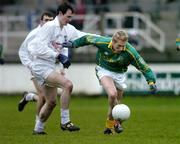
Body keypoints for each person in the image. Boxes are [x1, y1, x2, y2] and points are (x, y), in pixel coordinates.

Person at [62, 30, 157, 134]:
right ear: (113, 41)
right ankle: (117, 123)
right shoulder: (103, 42)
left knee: (114, 105)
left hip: (120, 74)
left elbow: (143, 66)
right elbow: (88, 38)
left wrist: (151, 82)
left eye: (123, 46)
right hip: (103, 70)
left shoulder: (130, 51)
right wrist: (74, 44)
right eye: (119, 46)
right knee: (112, 94)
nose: (121, 49)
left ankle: (108, 128)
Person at [27, 2, 88, 134]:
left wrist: (105, 40)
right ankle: (65, 121)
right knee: (68, 85)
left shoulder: (67, 28)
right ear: (60, 14)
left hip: (49, 67)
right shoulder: (49, 27)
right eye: (68, 16)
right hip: (40, 67)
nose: (70, 20)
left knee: (51, 102)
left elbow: (83, 35)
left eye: (71, 17)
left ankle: (38, 129)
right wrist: (58, 56)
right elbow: (39, 49)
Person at [18, 11, 54, 130]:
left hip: (49, 69)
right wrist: (30, 65)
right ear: (41, 21)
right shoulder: (34, 33)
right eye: (46, 20)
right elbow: (22, 51)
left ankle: (29, 96)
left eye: (50, 20)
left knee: (45, 98)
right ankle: (38, 126)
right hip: (36, 68)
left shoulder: (54, 33)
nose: (48, 22)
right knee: (44, 96)